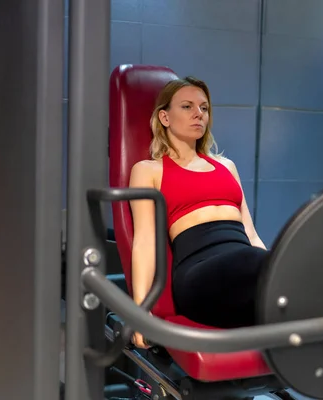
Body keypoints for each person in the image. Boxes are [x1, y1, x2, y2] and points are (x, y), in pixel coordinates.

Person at [128, 76, 268, 348]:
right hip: (199, 277)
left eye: (204, 108)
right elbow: (144, 243)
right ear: (165, 117)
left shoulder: (226, 166)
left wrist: (276, 265)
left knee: (286, 264)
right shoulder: (149, 170)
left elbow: (250, 233)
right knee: (254, 262)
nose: (198, 114)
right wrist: (139, 314)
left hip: (243, 266)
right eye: (187, 107)